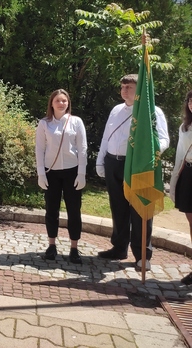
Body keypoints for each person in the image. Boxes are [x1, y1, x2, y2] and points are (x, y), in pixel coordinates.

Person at [96, 74, 169, 270]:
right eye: (122, 87)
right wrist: (101, 161)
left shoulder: (152, 111)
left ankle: (142, 254)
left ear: (139, 89)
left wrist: (147, 155)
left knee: (140, 210)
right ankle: (119, 248)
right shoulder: (116, 110)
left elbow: (163, 140)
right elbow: (106, 137)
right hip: (113, 162)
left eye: (129, 87)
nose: (124, 90)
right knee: (118, 207)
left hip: (136, 166)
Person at [35, 89, 87, 264]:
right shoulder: (44, 124)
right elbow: (39, 149)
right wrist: (41, 173)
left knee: (74, 211)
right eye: (58, 100)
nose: (61, 103)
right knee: (51, 210)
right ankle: (51, 245)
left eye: (64, 100)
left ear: (68, 103)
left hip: (72, 171)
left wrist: (82, 173)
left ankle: (74, 248)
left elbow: (82, 148)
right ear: (51, 103)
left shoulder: (76, 122)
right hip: (52, 172)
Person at [169, 91, 192, 284]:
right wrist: (174, 181)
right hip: (189, 174)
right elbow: (180, 154)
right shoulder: (185, 127)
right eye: (190, 100)